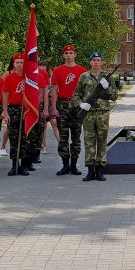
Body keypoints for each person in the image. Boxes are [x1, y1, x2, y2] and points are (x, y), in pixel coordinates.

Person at [74, 52, 117, 182]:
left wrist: (107, 87)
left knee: (102, 141)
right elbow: (76, 95)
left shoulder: (107, 77)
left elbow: (114, 96)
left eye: (98, 60)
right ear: (90, 62)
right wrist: (80, 104)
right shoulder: (84, 77)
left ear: (102, 62)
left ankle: (100, 170)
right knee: (89, 141)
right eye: (94, 60)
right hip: (89, 114)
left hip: (103, 113)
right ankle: (90, 170)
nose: (96, 63)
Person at [51, 45, 86, 176]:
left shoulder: (82, 70)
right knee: (63, 136)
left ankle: (74, 166)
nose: (69, 55)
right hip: (63, 104)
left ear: (75, 55)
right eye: (66, 53)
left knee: (76, 136)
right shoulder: (58, 70)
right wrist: (54, 107)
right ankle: (65, 165)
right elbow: (54, 89)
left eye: (71, 53)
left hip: (77, 105)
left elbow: (85, 90)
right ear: (63, 55)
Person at [1, 53, 30, 176]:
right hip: (13, 109)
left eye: (21, 62)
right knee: (13, 138)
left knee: (24, 138)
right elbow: (5, 94)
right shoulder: (9, 77)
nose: (19, 65)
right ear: (13, 64)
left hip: (26, 109)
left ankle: (24, 165)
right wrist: (5, 111)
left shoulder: (29, 78)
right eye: (17, 62)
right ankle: (14, 165)